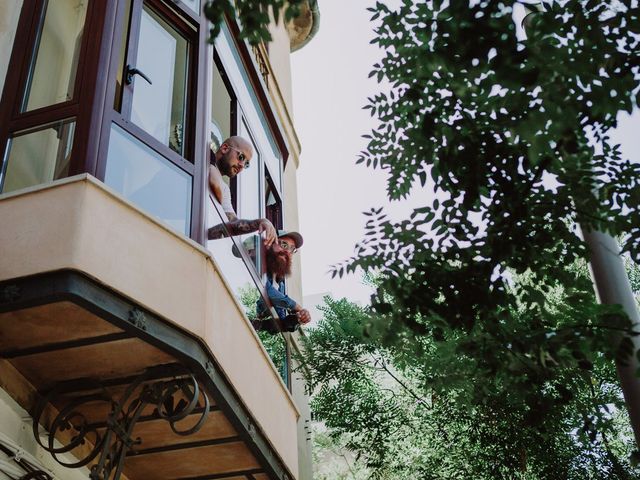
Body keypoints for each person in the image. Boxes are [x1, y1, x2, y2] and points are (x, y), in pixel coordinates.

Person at [207, 136, 276, 246]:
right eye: (241, 157)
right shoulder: (203, 151)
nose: (242, 165)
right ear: (225, 148)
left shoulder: (225, 190)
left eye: (246, 164)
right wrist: (211, 167)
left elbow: (232, 223)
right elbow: (213, 182)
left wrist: (260, 222)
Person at [256, 230, 311, 332]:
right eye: (284, 245)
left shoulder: (280, 285)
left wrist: (298, 318)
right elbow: (267, 291)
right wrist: (298, 307)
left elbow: (282, 323)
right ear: (271, 243)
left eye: (292, 249)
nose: (287, 251)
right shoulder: (258, 262)